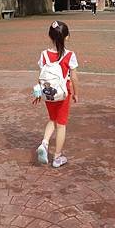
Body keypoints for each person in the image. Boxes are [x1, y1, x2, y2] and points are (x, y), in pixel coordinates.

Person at [33, 21, 79, 168]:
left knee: (52, 118)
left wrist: (38, 92)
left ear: (49, 36)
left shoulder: (44, 55)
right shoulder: (70, 55)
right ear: (67, 37)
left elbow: (40, 75)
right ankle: (57, 157)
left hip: (48, 94)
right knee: (61, 124)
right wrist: (76, 93)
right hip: (63, 93)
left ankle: (45, 143)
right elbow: (74, 77)